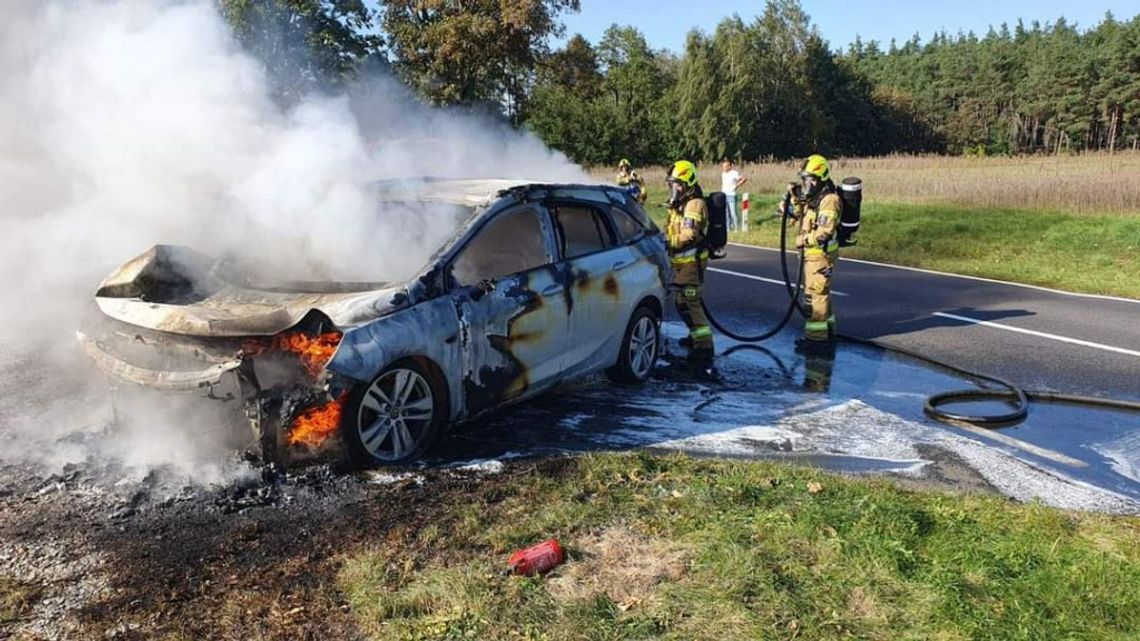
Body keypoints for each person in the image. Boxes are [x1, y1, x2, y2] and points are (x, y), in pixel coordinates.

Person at [787, 154, 840, 352]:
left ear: (820, 179)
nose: (806, 184)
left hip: (820, 256)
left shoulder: (829, 200)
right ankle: (829, 333)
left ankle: (816, 342)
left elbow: (825, 231)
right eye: (804, 180)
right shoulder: (815, 198)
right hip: (811, 257)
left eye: (810, 180)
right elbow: (800, 216)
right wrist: (793, 198)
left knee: (816, 298)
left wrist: (803, 240)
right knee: (819, 296)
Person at [665, 160, 714, 363]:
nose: (673, 188)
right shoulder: (682, 204)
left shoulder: (694, 204)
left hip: (691, 264)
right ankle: (695, 336)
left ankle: (704, 347)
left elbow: (689, 235)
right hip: (682, 265)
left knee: (691, 301)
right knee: (682, 301)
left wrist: (668, 242)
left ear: (687, 184)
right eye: (671, 184)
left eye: (676, 184)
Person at [720, 159, 747, 231]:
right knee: (726, 213)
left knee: (733, 213)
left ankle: (736, 228)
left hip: (731, 194)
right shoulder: (723, 174)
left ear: (730, 166)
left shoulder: (734, 173)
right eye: (723, 166)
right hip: (724, 194)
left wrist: (737, 185)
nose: (724, 168)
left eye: (725, 166)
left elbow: (744, 179)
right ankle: (728, 228)